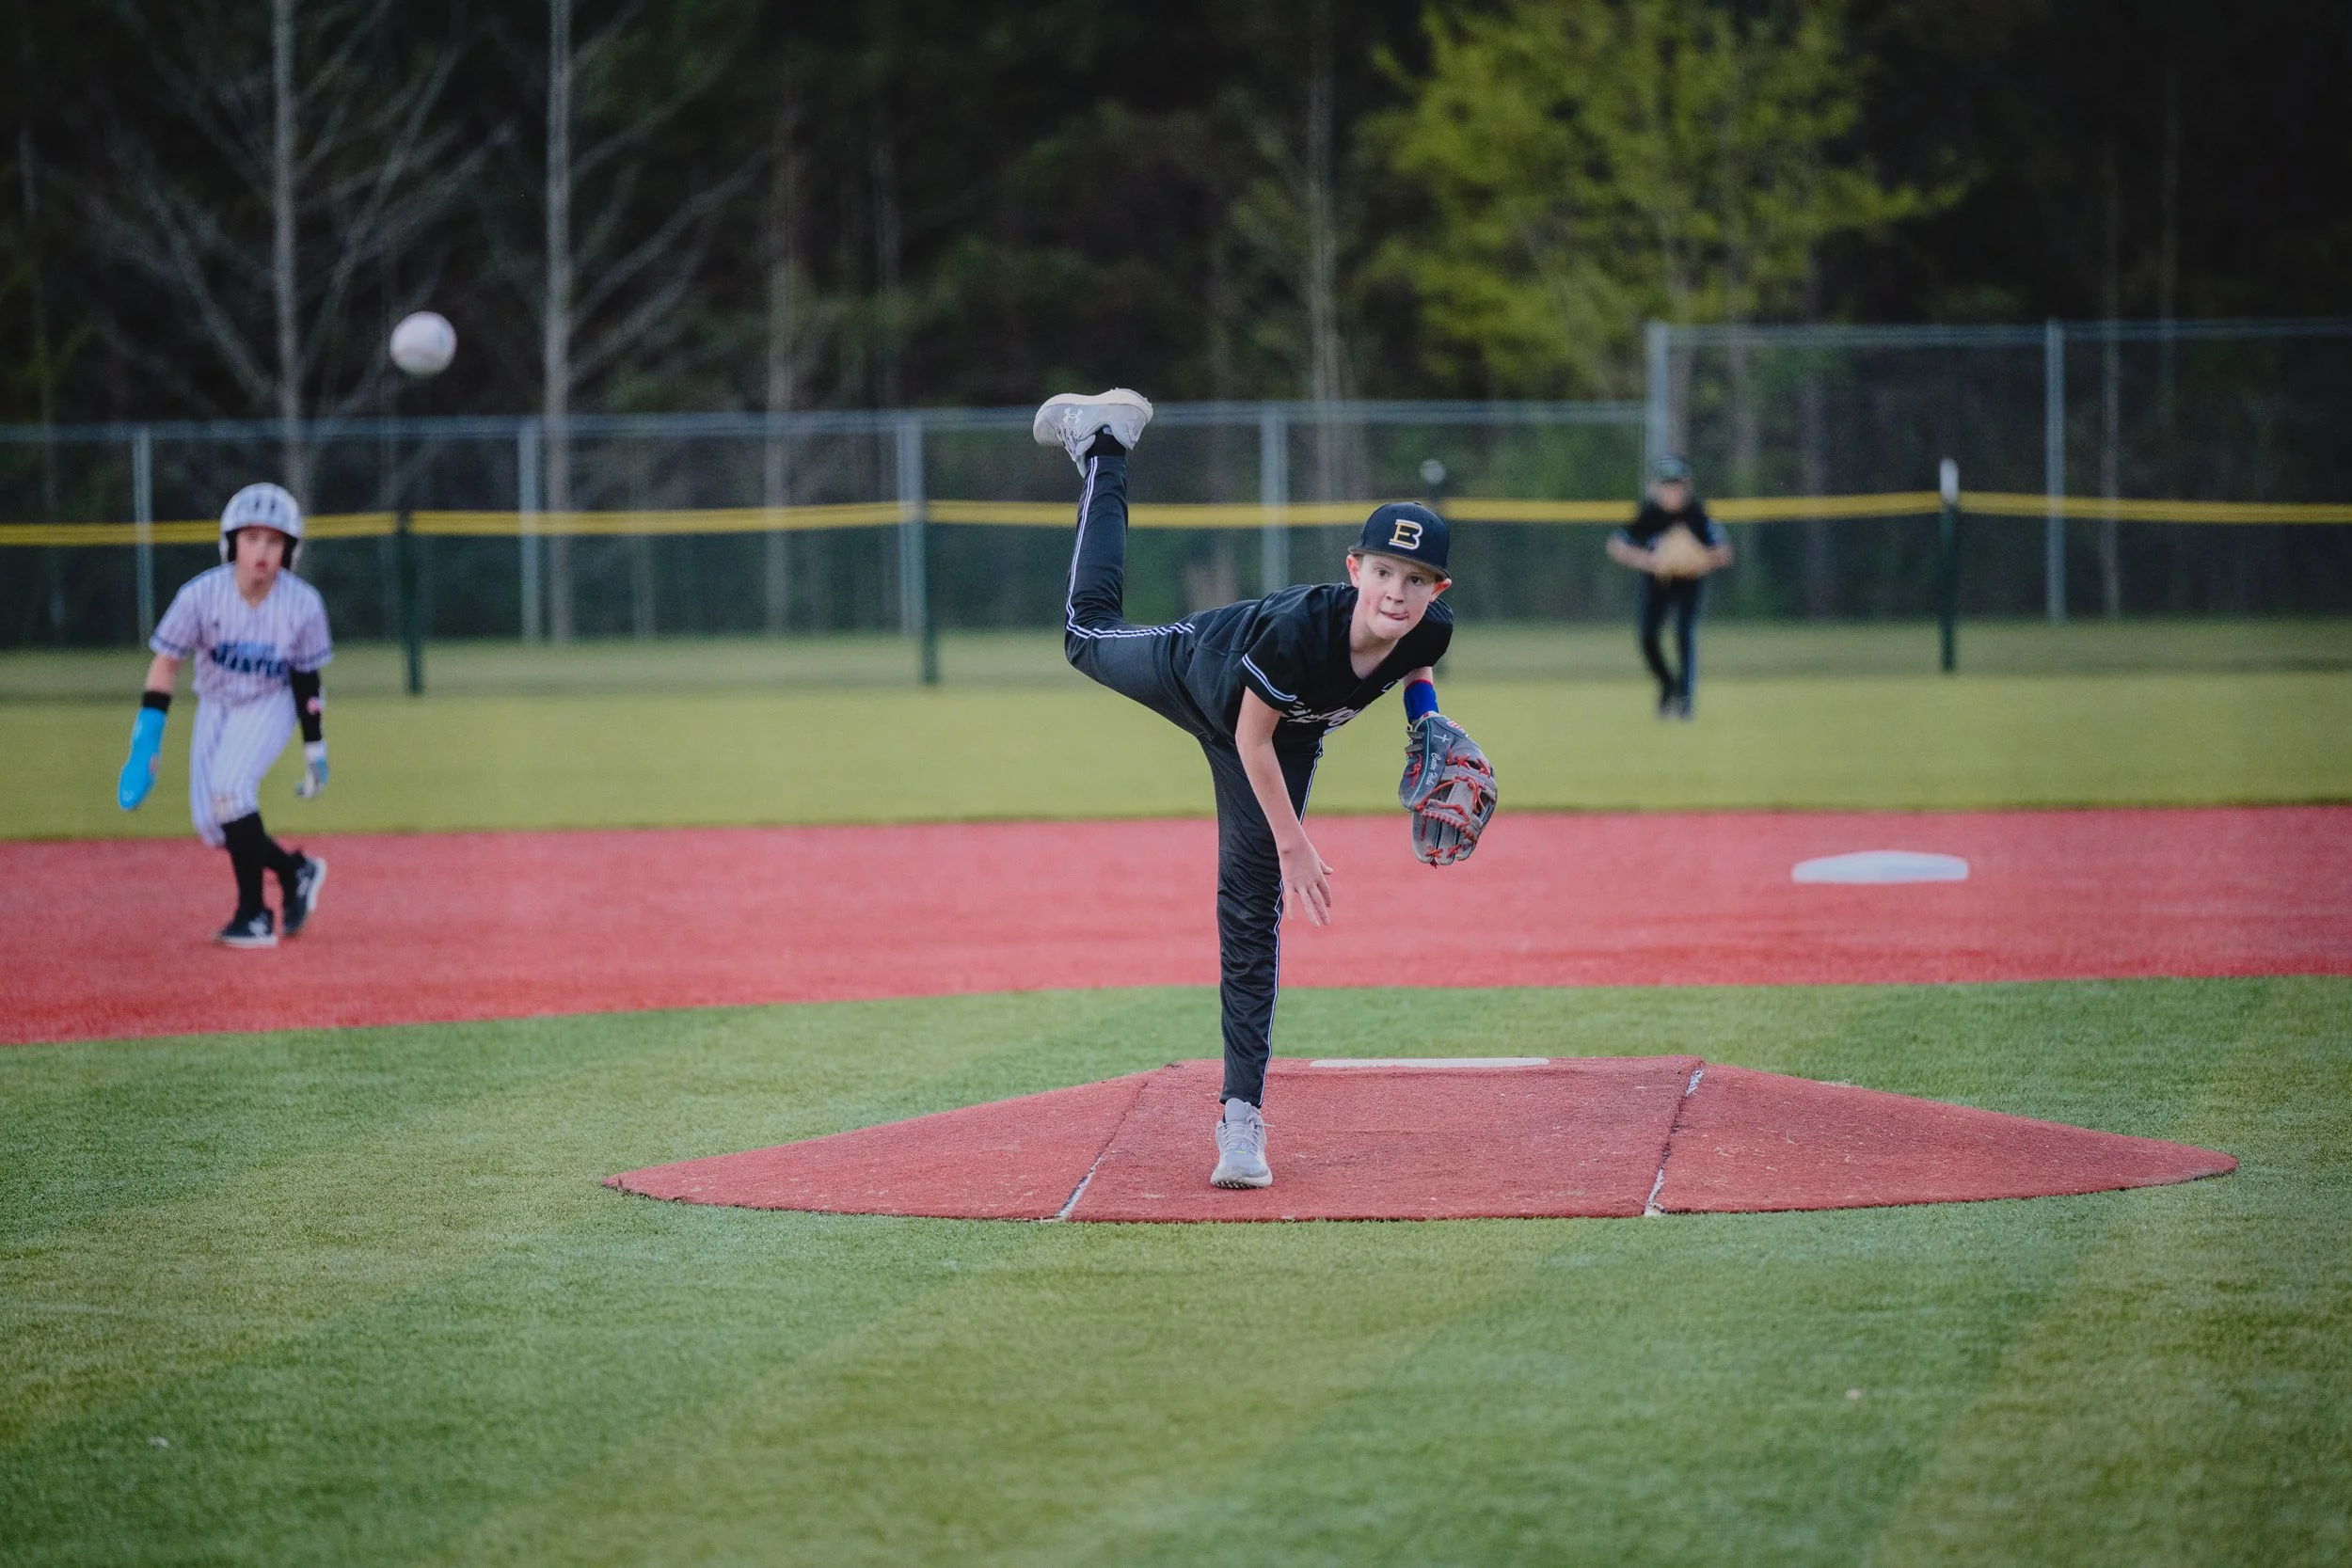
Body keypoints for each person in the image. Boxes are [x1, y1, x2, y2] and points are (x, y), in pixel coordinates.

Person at [1037, 388, 1471, 1191]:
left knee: (1248, 912)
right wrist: (1295, 843)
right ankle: (1103, 442)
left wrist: (1427, 718)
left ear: (1435, 592)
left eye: (1416, 579)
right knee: (1086, 633)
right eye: (1383, 571)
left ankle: (1241, 1120)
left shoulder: (1431, 628)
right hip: (1206, 674)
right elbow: (1249, 738)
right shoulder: (1303, 635)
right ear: (1355, 569)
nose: (1396, 593)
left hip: (1289, 737)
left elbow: (1413, 662)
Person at [119, 483, 333, 948]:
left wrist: (315, 745)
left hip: (269, 701)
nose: (261, 550)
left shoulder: (303, 604)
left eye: (274, 540)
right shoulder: (200, 596)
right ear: (231, 541)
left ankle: (254, 915)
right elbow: (166, 662)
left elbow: (305, 678)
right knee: (216, 824)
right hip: (216, 703)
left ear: (289, 550)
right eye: (251, 537)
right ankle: (295, 870)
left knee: (232, 790)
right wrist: (146, 744)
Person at [1605, 455, 1732, 718]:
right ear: (1657, 487)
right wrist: (1649, 560)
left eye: (1676, 485)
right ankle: (1667, 683)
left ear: (1686, 486)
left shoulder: (1697, 513)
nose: (1671, 491)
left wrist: (1694, 560)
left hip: (1689, 582)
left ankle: (1685, 700)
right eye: (1666, 485)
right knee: (1647, 636)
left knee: (1684, 634)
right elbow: (1616, 546)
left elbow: (1724, 552)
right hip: (1657, 582)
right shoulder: (1649, 513)